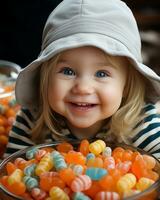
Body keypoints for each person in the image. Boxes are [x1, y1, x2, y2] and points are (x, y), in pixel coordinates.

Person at [4, 0, 160, 160]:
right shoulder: (31, 121)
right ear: (46, 78)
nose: (83, 88)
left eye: (101, 74)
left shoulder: (142, 123)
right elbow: (12, 175)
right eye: (68, 71)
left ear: (127, 85)